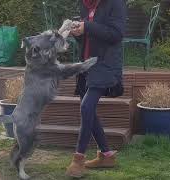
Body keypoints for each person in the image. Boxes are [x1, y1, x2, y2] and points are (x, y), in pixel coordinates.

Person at [65, 0, 126, 178]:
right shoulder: (85, 4)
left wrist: (88, 26)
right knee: (89, 110)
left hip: (105, 63)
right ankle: (106, 155)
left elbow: (116, 34)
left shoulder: (116, 3)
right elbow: (87, 35)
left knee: (86, 107)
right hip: (86, 64)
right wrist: (78, 33)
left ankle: (78, 160)